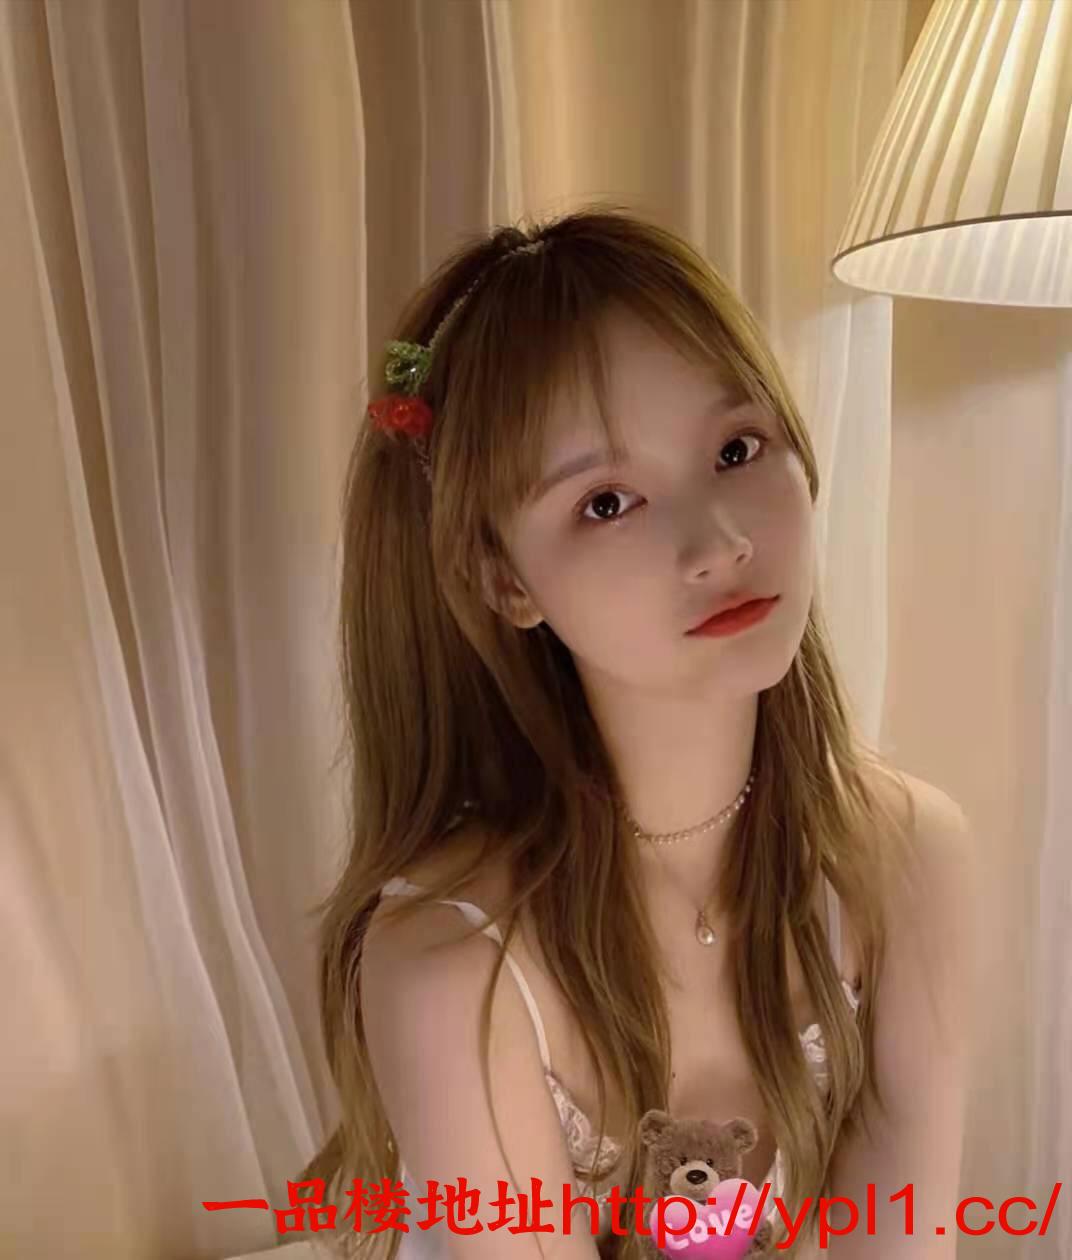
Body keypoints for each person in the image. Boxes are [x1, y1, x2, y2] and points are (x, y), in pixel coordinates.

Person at [299, 205, 980, 1259]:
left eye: (737, 448)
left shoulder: (907, 857)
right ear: (503, 578)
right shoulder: (455, 968)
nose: (718, 541)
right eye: (608, 502)